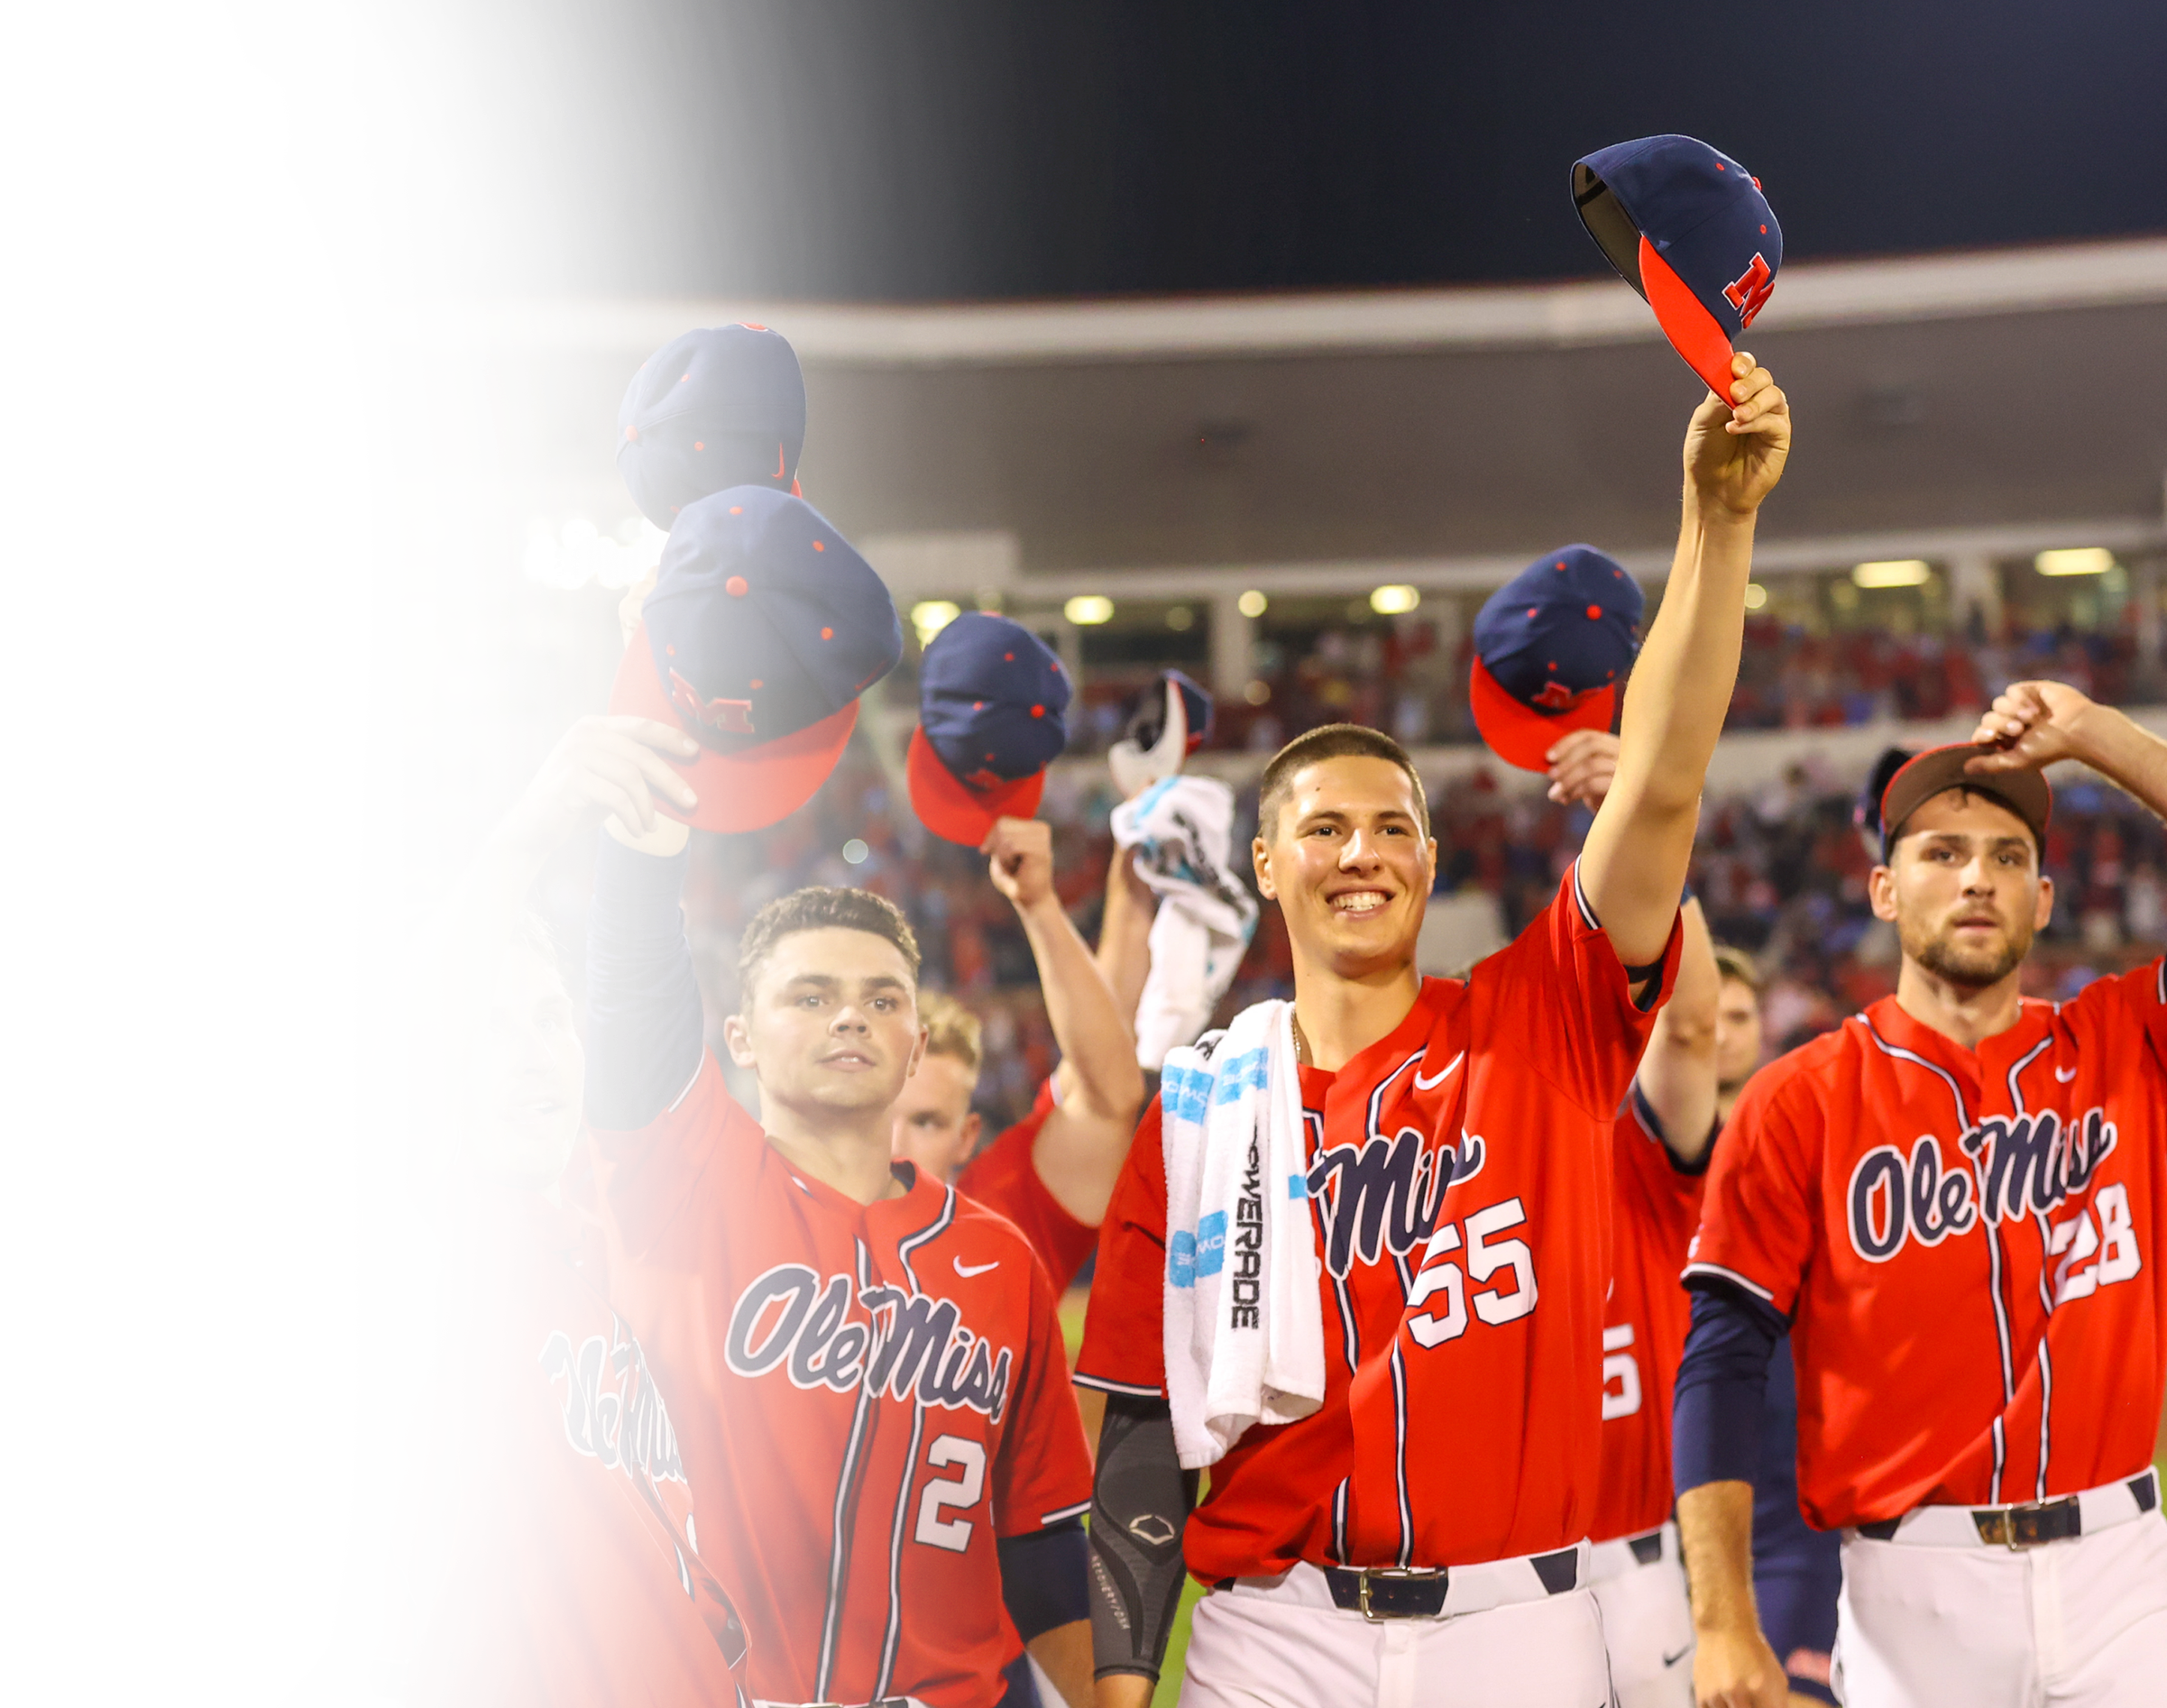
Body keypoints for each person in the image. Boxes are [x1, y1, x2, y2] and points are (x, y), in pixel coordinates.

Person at [1076, 354, 1793, 1707]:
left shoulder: (1537, 1021)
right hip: (1271, 1635)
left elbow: (1657, 790)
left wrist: (1717, 522)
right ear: (1267, 865)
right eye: (1324, 828)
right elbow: (1138, 1433)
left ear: (1428, 860)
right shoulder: (1200, 1106)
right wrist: (1121, 1686)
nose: (1363, 851)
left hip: (1513, 1629)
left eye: (1393, 825)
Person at [1675, 679, 2167, 1708]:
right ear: (1884, 890)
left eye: (2008, 856)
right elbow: (1719, 1366)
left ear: (2043, 899)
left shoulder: (2125, 1043)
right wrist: (1722, 1620)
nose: (1976, 878)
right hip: (1914, 1586)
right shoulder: (1796, 1100)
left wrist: (2098, 739)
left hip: (2125, 1569)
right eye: (1941, 853)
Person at [365, 712, 752, 1705]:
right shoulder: (429, 1248)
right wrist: (529, 835)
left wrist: (659, 681)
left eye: (550, 1019)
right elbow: (399, 1086)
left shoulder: (585, 1262)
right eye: (489, 1031)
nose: (539, 1055)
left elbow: (634, 941)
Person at [1546, 728, 1726, 1708]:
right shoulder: (1461, 1163)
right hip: (1500, 1583)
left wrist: (1648, 830)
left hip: (1637, 1563)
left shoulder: (1644, 1159)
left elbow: (1691, 1021)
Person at [889, 817, 1151, 1292]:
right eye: (876, 1116)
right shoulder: (787, 1225)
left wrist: (1041, 903)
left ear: (966, 1138)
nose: (894, 1148)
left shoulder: (1004, 1217)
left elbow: (1108, 1079)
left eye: (927, 1122)